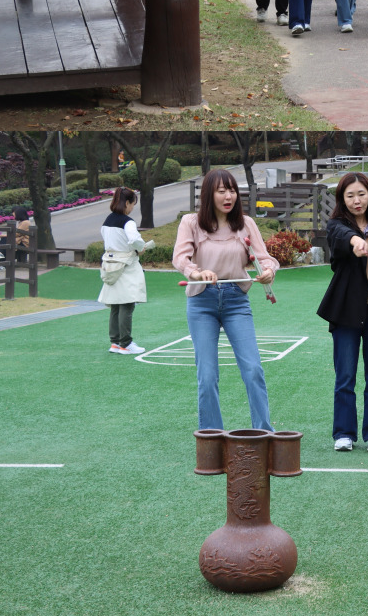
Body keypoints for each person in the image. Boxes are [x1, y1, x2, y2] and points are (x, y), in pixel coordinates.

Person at [172, 171, 278, 432]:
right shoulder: (191, 222)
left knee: (253, 370)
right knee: (207, 376)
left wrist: (268, 271)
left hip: (236, 301)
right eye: (221, 191)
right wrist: (197, 273)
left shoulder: (245, 224)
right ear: (209, 194)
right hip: (201, 301)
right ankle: (211, 437)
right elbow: (181, 258)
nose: (228, 196)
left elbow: (264, 258)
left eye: (232, 190)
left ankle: (263, 433)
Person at [316, 170, 368, 451]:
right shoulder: (336, 226)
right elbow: (342, 237)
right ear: (342, 199)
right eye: (350, 195)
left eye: (361, 194)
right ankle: (344, 433)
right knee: (345, 377)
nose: (357, 200)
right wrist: (356, 242)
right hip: (346, 312)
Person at [98, 182, 151, 356]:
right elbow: (134, 239)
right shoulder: (128, 222)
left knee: (115, 305)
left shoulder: (107, 221)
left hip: (110, 264)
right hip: (126, 265)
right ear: (127, 203)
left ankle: (115, 342)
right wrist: (141, 247)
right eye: (133, 204)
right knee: (127, 304)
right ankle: (125, 343)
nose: (132, 208)